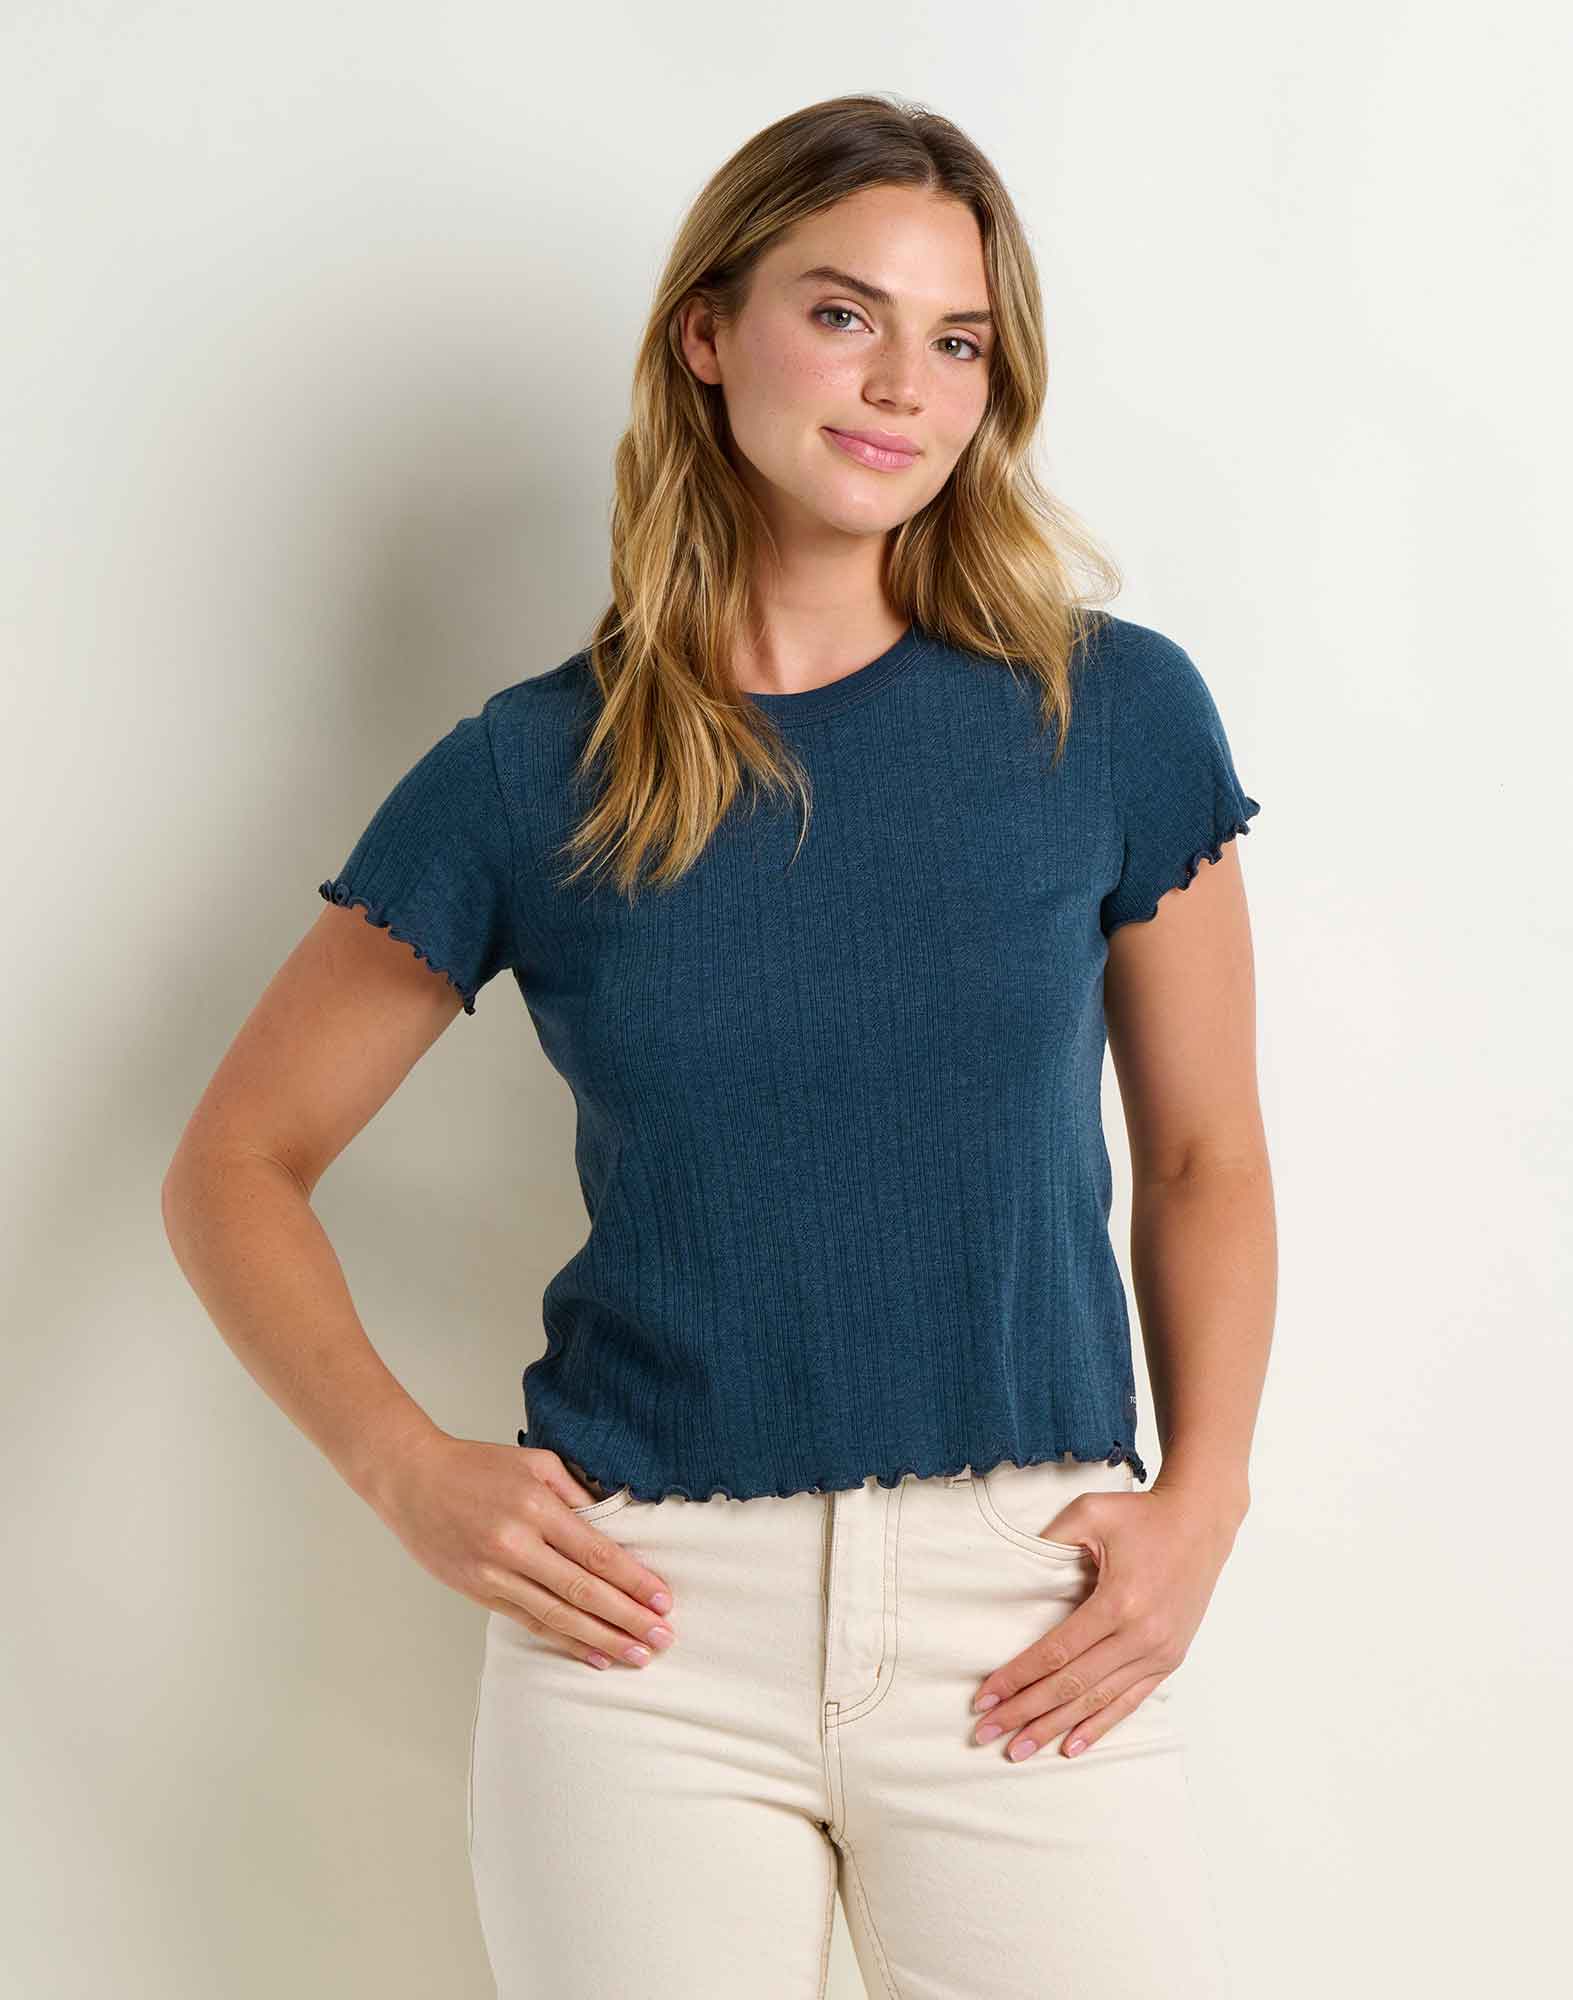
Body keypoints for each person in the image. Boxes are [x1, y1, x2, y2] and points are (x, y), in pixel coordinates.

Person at [162, 92, 1273, 1999]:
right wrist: (404, 1468)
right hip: (643, 1640)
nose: (903, 384)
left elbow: (1204, 1157)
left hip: (1026, 1613)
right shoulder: (533, 771)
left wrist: (1208, 1501)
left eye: (959, 339)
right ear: (709, 331)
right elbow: (234, 1166)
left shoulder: (1105, 714)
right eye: (843, 315)